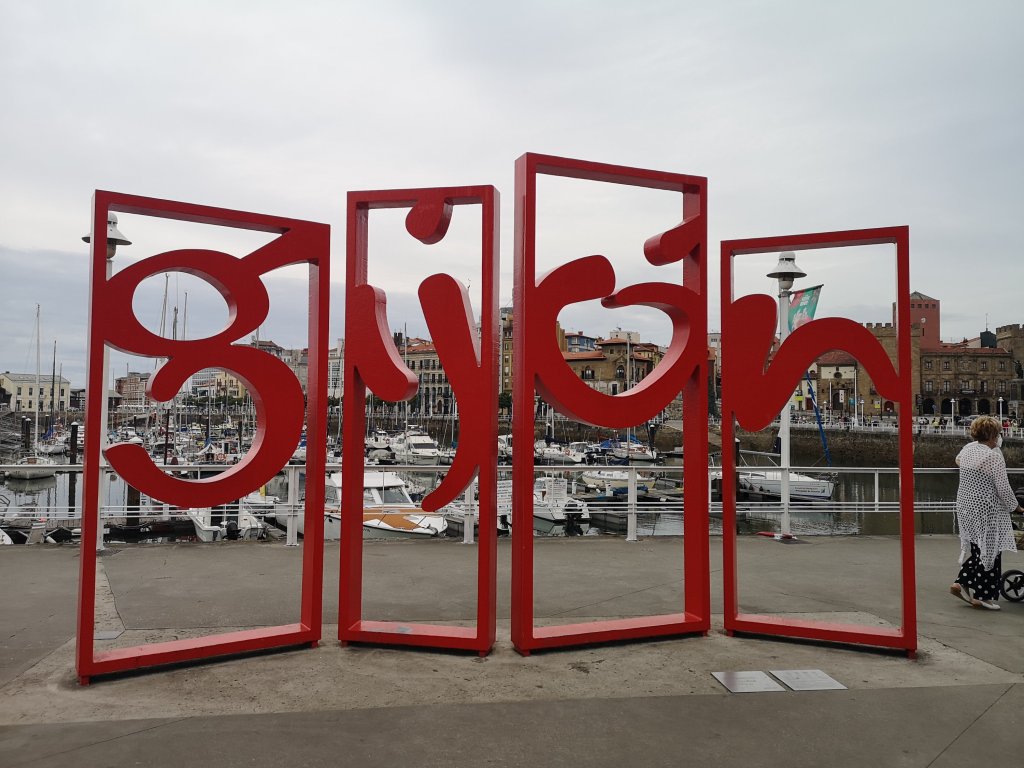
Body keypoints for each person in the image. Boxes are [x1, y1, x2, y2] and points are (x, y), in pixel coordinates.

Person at [950, 416, 1022, 610]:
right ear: (991, 434)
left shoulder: (968, 449)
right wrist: (1016, 507)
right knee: (991, 550)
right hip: (986, 508)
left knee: (978, 547)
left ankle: (960, 583)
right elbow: (1003, 488)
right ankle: (982, 596)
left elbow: (958, 460)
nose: (999, 436)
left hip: (965, 505)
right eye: (998, 433)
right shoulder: (993, 457)